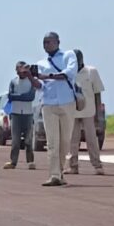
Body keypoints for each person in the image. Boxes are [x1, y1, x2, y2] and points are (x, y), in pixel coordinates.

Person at [35, 32, 79, 187]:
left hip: (67, 103)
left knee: (64, 142)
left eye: (49, 41)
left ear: (57, 42)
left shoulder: (68, 55)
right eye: (44, 42)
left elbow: (69, 74)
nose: (46, 45)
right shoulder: (41, 63)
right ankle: (54, 175)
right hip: (49, 104)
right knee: (52, 142)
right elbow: (40, 86)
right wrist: (29, 77)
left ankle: (59, 172)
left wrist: (47, 76)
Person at [68, 50, 106, 175]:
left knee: (91, 139)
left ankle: (97, 165)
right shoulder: (68, 73)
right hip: (72, 111)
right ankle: (73, 166)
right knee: (73, 140)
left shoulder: (91, 71)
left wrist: (99, 114)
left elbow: (97, 93)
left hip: (89, 111)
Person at [3, 62, 38, 170]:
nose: (21, 72)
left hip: (28, 113)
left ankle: (30, 161)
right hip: (16, 113)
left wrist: (18, 96)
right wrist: (22, 96)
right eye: (19, 69)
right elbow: (10, 96)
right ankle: (13, 162)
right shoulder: (13, 82)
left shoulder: (31, 81)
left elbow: (30, 97)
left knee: (28, 140)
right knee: (15, 141)